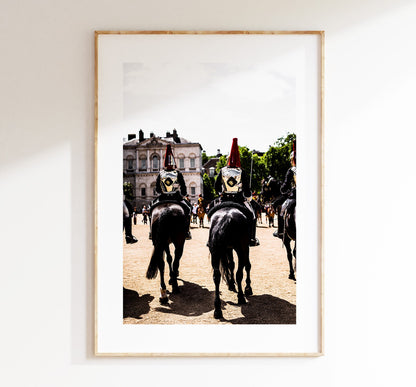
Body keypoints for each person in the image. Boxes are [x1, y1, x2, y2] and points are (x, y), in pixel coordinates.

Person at [214, 138, 260, 246]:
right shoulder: (241, 171)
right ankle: (252, 239)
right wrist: (248, 197)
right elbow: (247, 188)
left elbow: (216, 186)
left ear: (227, 160)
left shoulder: (222, 171)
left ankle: (211, 238)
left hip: (224, 199)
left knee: (213, 215)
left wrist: (220, 193)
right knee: (252, 216)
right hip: (239, 200)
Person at [149, 144, 192, 240]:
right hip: (176, 197)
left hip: (163, 197)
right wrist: (183, 194)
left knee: (151, 209)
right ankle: (187, 232)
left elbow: (157, 188)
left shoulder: (161, 173)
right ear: (173, 162)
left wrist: (161, 192)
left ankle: (151, 232)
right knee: (188, 209)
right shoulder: (177, 173)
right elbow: (183, 186)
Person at [273, 141, 296, 238]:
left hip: (294, 196)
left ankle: (281, 231)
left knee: (282, 211)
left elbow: (284, 187)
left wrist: (287, 193)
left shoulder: (291, 170)